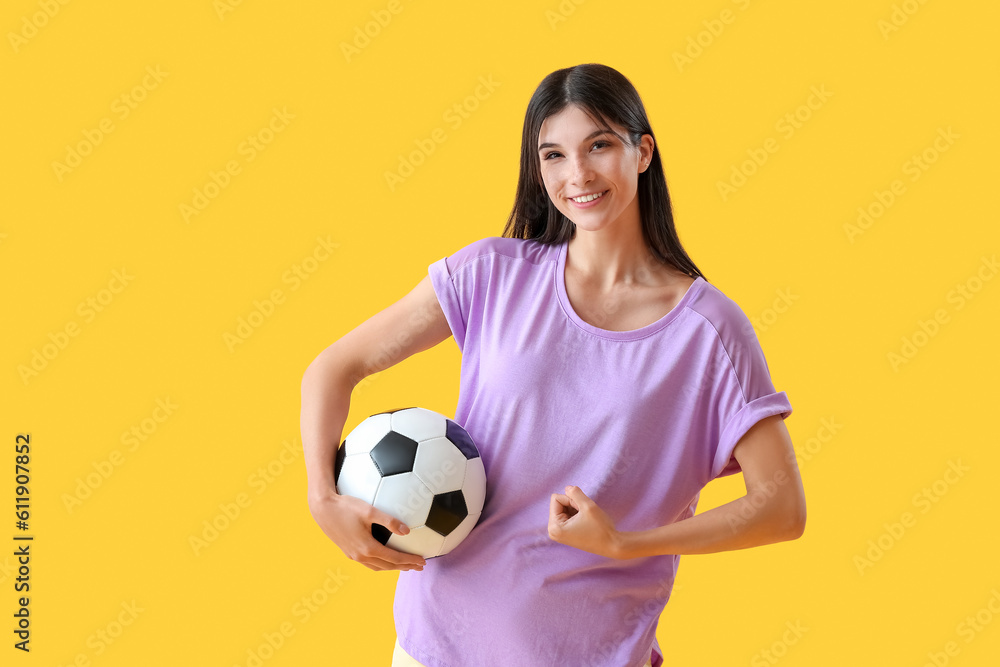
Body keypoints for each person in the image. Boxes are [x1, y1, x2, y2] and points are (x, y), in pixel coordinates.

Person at [301, 63, 807, 667]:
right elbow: (333, 368)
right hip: (434, 648)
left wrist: (624, 543)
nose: (579, 175)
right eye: (554, 155)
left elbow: (781, 507)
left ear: (642, 152)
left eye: (599, 145)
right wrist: (322, 498)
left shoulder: (711, 332)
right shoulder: (489, 274)